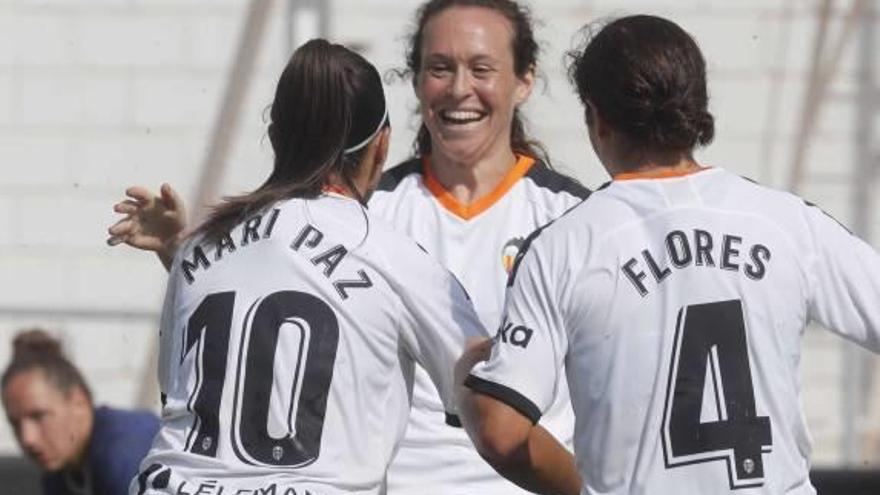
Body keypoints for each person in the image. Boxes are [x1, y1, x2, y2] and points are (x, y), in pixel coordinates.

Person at [107, 1, 587, 493]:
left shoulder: (577, 220)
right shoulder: (380, 232)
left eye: (481, 68)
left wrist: (183, 253)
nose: (460, 87)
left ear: (525, 80)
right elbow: (493, 419)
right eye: (440, 67)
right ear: (388, 133)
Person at [459, 14, 880, 495]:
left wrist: (465, 380)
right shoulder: (786, 222)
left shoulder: (565, 246)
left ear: (596, 117)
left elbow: (501, 432)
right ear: (697, 104)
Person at [2, 328, 159, 495]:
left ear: (79, 402)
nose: (27, 438)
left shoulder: (123, 453)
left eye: (39, 416)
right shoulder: (60, 472)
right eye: (15, 424)